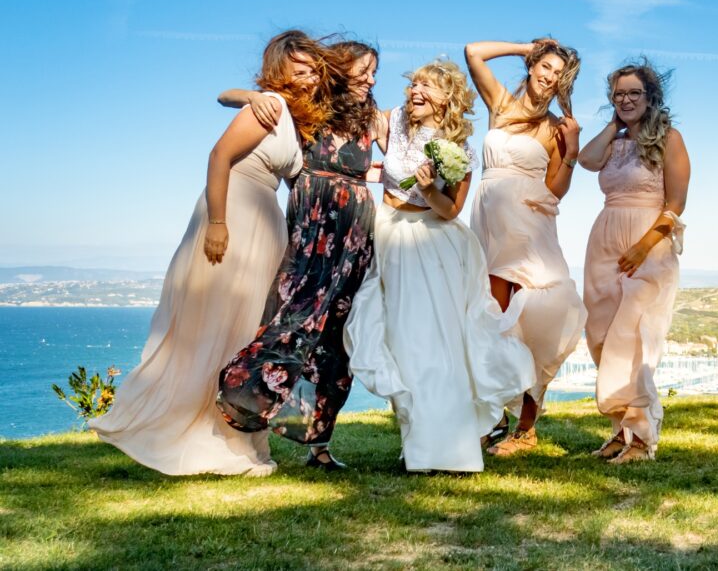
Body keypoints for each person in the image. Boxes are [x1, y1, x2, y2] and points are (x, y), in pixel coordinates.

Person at [90, 30, 336, 476]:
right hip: (236, 214)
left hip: (263, 222)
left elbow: (228, 99)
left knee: (243, 329)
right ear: (281, 69)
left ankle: (229, 432)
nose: (309, 75)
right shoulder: (272, 105)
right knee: (218, 323)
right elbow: (219, 155)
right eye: (299, 67)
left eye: (314, 67)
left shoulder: (290, 116)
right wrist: (218, 224)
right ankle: (197, 432)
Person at [344, 59, 535, 472]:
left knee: (433, 343)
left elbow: (451, 210)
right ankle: (418, 441)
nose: (416, 90)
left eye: (427, 86)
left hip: (433, 244)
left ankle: (445, 448)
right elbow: (346, 106)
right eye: (413, 83)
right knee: (399, 341)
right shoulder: (391, 121)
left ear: (447, 99)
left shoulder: (459, 148)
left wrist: (430, 189)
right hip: (390, 236)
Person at [216, 40, 387, 471]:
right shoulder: (309, 104)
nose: (370, 79)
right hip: (314, 222)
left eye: (375, 73)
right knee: (293, 316)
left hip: (356, 228)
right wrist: (252, 97)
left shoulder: (373, 117)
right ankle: (239, 397)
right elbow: (227, 96)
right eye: (364, 71)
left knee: (336, 337)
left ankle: (319, 443)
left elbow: (397, 156)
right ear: (341, 70)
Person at [464, 38, 587, 456]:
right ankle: (487, 417)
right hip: (487, 222)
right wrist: (525, 46)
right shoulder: (500, 104)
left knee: (536, 316)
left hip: (529, 225)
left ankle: (526, 429)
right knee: (490, 319)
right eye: (545, 68)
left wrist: (570, 151)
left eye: (557, 75)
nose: (548, 79)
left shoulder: (556, 127)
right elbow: (472, 52)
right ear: (533, 65)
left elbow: (556, 189)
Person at [577, 59, 690, 464]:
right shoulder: (614, 140)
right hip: (605, 237)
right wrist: (613, 126)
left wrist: (645, 246)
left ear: (650, 96)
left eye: (633, 93)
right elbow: (586, 161)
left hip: (649, 241)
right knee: (603, 336)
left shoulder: (669, 138)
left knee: (636, 338)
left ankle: (641, 440)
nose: (625, 99)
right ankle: (619, 427)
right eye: (618, 94)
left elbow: (675, 203)